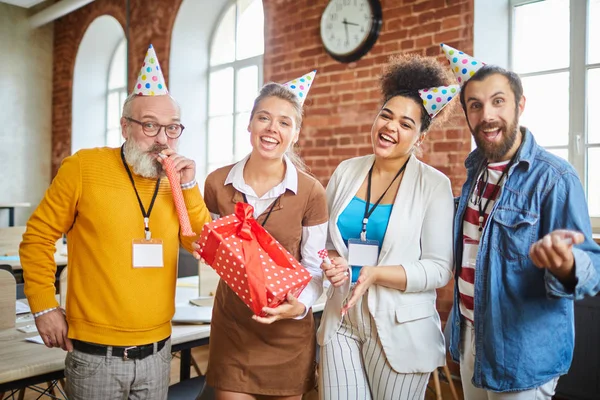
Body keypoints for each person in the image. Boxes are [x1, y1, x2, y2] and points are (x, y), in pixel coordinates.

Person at [19, 44, 211, 400]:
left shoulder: (175, 181)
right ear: (125, 126)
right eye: (150, 126)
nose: (162, 140)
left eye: (172, 129)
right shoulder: (84, 168)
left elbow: (200, 244)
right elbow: (37, 238)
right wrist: (44, 306)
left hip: (157, 352)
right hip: (95, 356)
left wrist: (189, 186)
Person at [441, 44, 600, 399]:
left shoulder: (555, 179)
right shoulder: (474, 173)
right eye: (475, 105)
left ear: (520, 106)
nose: (487, 115)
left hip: (521, 356)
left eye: (498, 101)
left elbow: (593, 267)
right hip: (470, 341)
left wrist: (568, 265)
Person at [316, 54, 457, 400]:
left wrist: (375, 274)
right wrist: (332, 261)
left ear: (420, 137)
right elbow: (325, 241)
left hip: (399, 330)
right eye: (386, 115)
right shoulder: (346, 171)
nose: (391, 127)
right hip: (341, 320)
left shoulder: (433, 185)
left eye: (406, 124)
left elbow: (440, 270)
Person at [195, 71, 328, 400]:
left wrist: (299, 307)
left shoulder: (311, 192)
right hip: (233, 327)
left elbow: (314, 266)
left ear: (295, 134)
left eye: (285, 122)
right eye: (264, 118)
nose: (272, 129)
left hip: (288, 331)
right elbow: (206, 243)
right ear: (250, 124)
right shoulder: (216, 183)